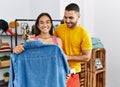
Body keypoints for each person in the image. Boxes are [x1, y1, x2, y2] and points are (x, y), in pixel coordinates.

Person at [54, 3, 92, 85]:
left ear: (78, 16)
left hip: (73, 72)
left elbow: (87, 57)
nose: (67, 20)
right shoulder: (58, 29)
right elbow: (51, 44)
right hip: (58, 71)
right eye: (65, 17)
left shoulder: (84, 33)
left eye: (71, 18)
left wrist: (67, 57)